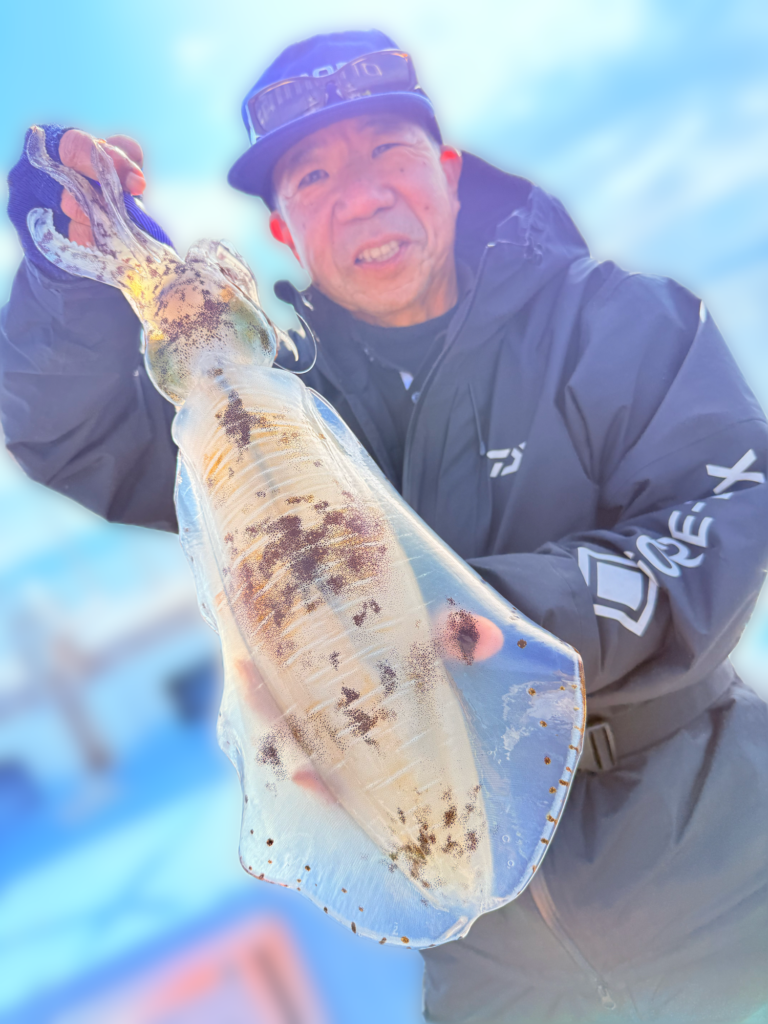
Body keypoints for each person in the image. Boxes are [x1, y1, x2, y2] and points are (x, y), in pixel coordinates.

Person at [3, 29, 768, 1024]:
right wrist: (69, 277)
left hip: (725, 862)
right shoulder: (277, 401)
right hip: (490, 961)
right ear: (283, 232)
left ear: (448, 173)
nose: (360, 195)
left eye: (387, 151)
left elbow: (721, 515)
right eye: (313, 176)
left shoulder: (611, 323)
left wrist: (482, 625)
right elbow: (76, 431)